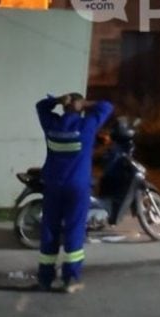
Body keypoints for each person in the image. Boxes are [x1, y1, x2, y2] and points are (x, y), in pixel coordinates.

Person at [35, 92, 113, 293]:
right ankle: (71, 278)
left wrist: (57, 100)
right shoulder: (86, 126)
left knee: (50, 230)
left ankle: (45, 278)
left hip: (53, 185)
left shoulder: (52, 125)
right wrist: (86, 103)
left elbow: (41, 106)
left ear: (63, 107)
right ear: (80, 107)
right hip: (77, 187)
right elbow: (106, 106)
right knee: (74, 229)